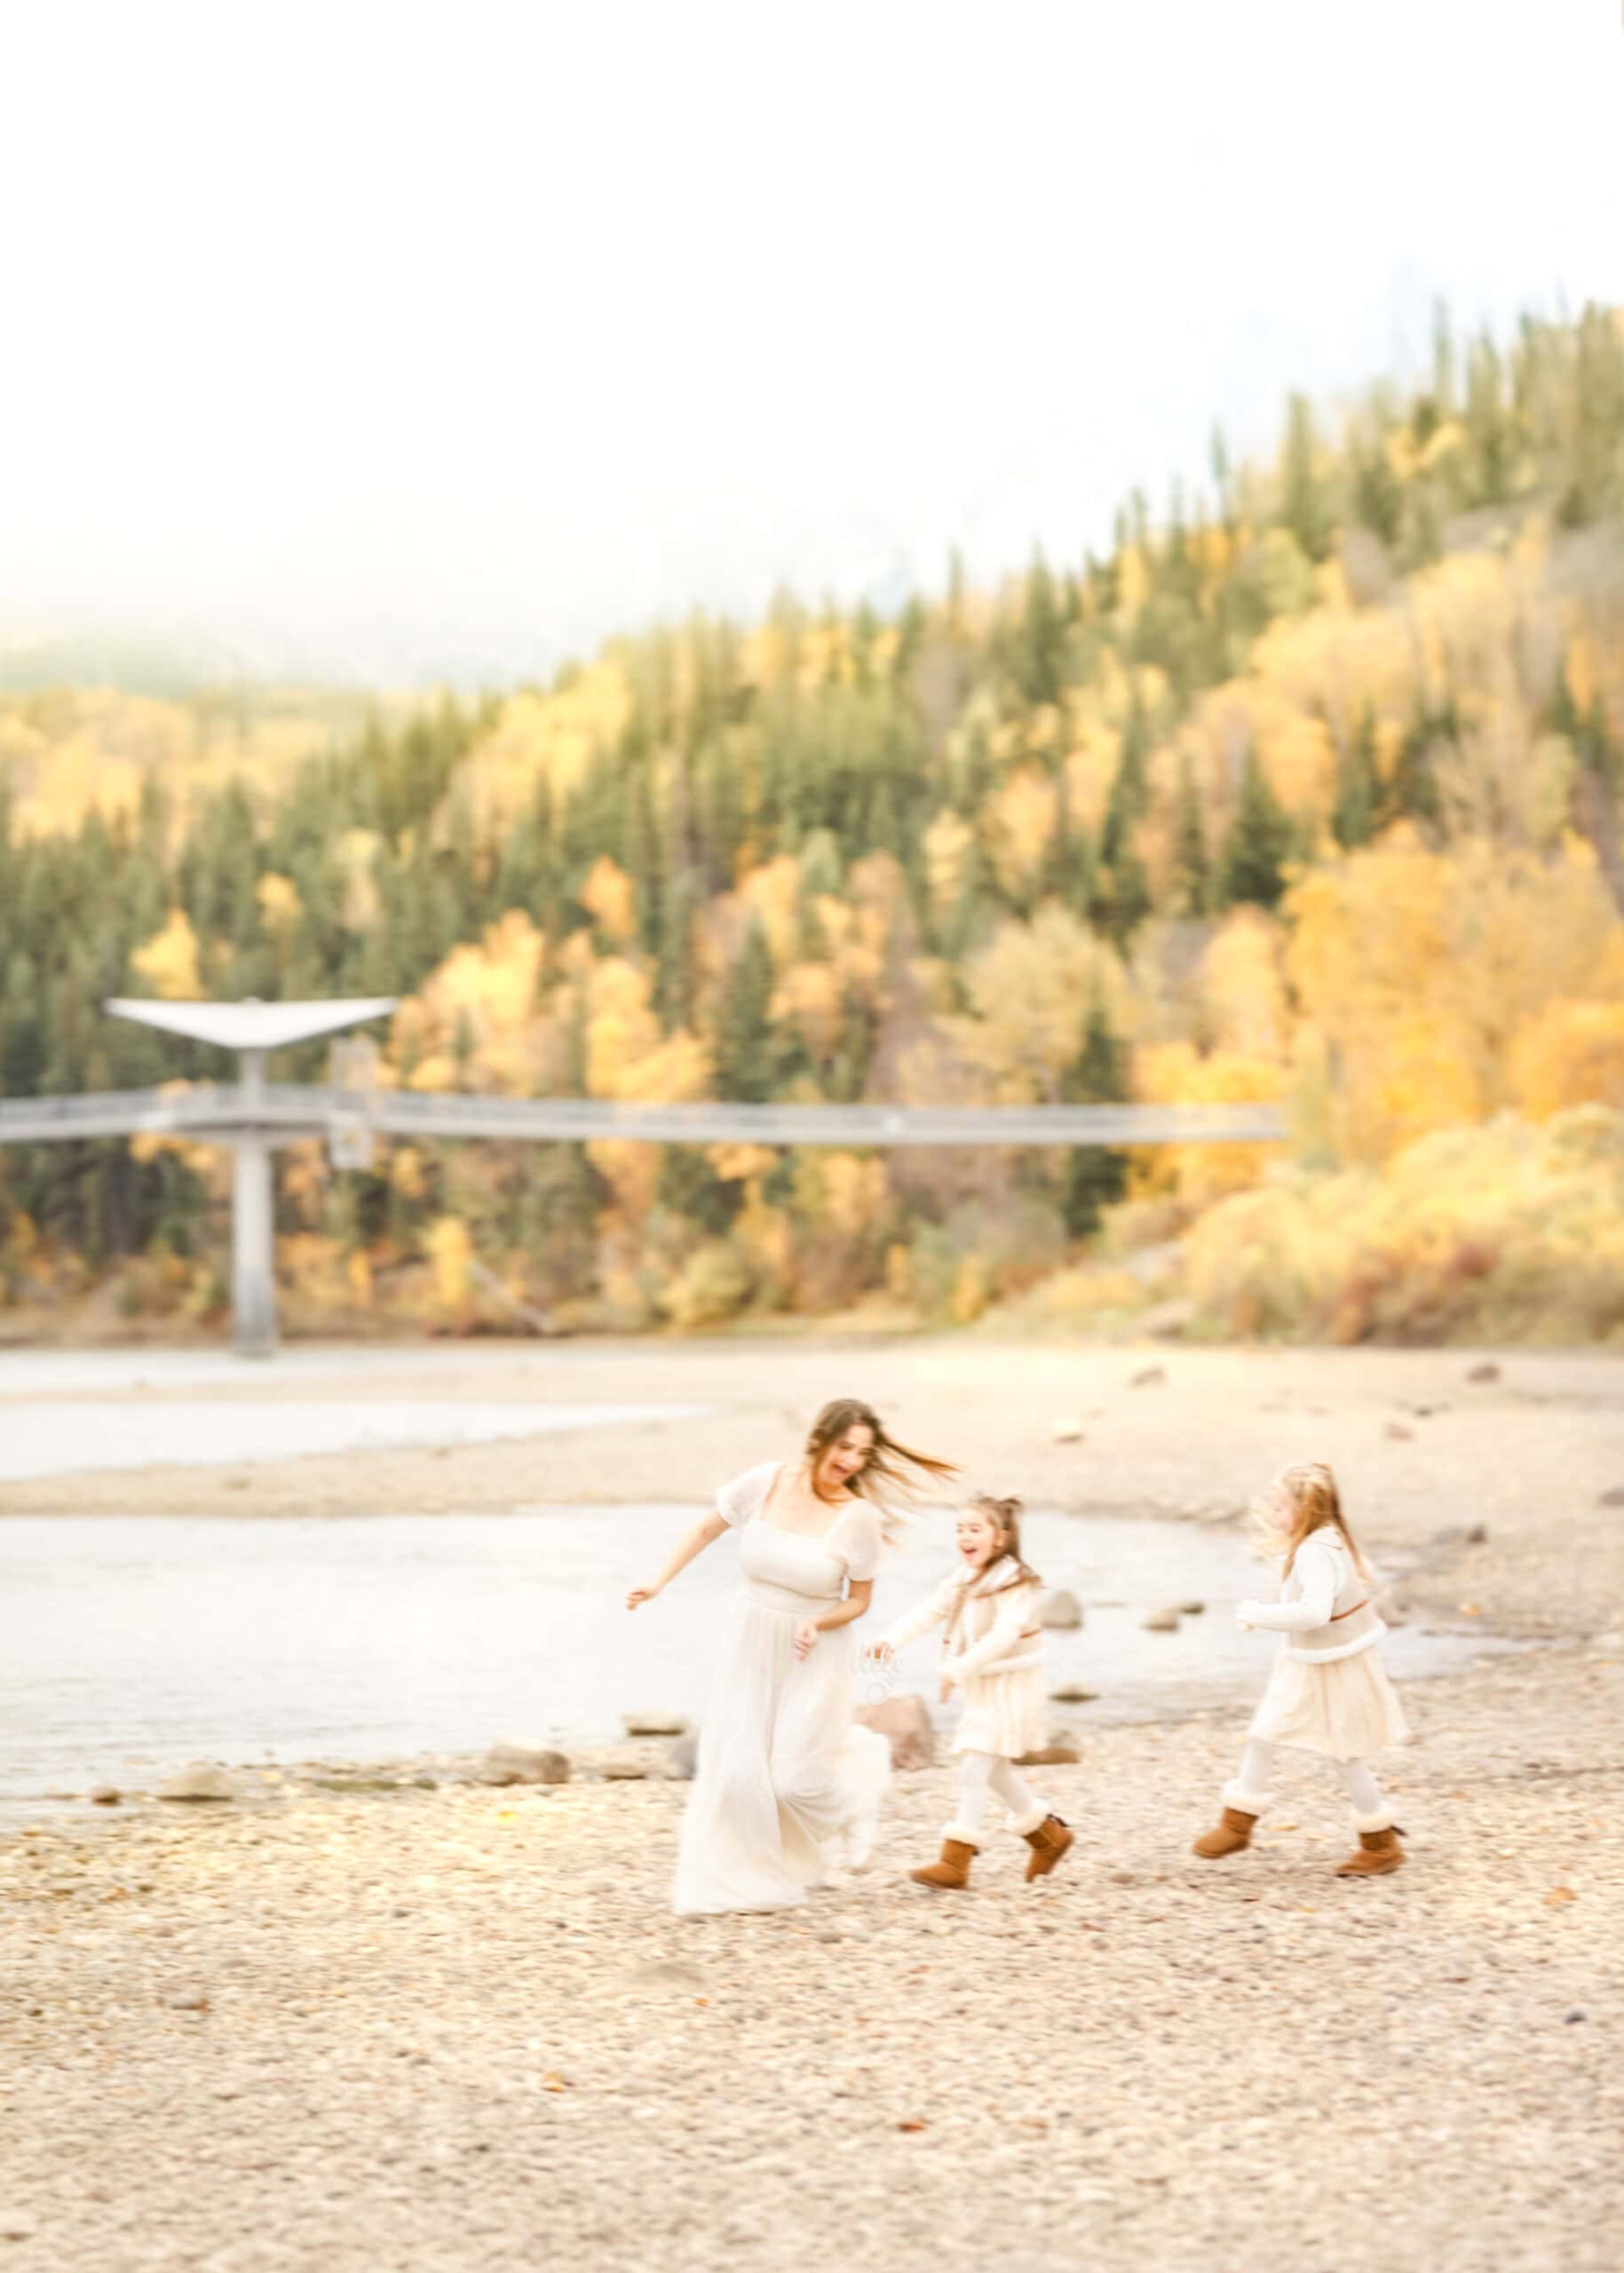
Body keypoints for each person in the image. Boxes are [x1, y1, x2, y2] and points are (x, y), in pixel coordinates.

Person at [627, 1397, 955, 1915]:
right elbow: (705, 1529)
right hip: (749, 1641)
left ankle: (855, 1803)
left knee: (794, 1781)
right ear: (820, 1439)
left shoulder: (856, 1517)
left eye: (862, 1454)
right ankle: (746, 1882)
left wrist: (817, 1622)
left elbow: (860, 1600)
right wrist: (658, 1581)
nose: (850, 1460)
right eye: (844, 1446)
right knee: (737, 1774)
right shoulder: (766, 1481)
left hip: (814, 1651)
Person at [1192, 1461, 1409, 1878]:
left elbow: (1313, 1611)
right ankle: (1237, 1822)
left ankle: (1380, 1844)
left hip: (1331, 1666)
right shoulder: (1331, 1541)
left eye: (1280, 1508)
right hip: (1313, 1661)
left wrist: (1260, 1614)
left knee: (1344, 1754)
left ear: (1305, 1508)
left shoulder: (1316, 1553)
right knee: (1266, 1733)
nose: (1276, 1517)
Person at [871, 1492, 1073, 1889]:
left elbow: (1004, 1634)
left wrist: (959, 1669)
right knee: (995, 1772)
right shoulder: (965, 1578)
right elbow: (931, 1609)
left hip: (1014, 1685)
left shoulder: (1017, 1582)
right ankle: (1049, 1837)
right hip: (985, 1684)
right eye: (959, 1529)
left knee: (974, 1767)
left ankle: (956, 1860)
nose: (965, 1536)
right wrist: (890, 1639)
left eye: (975, 1529)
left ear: (1000, 1537)